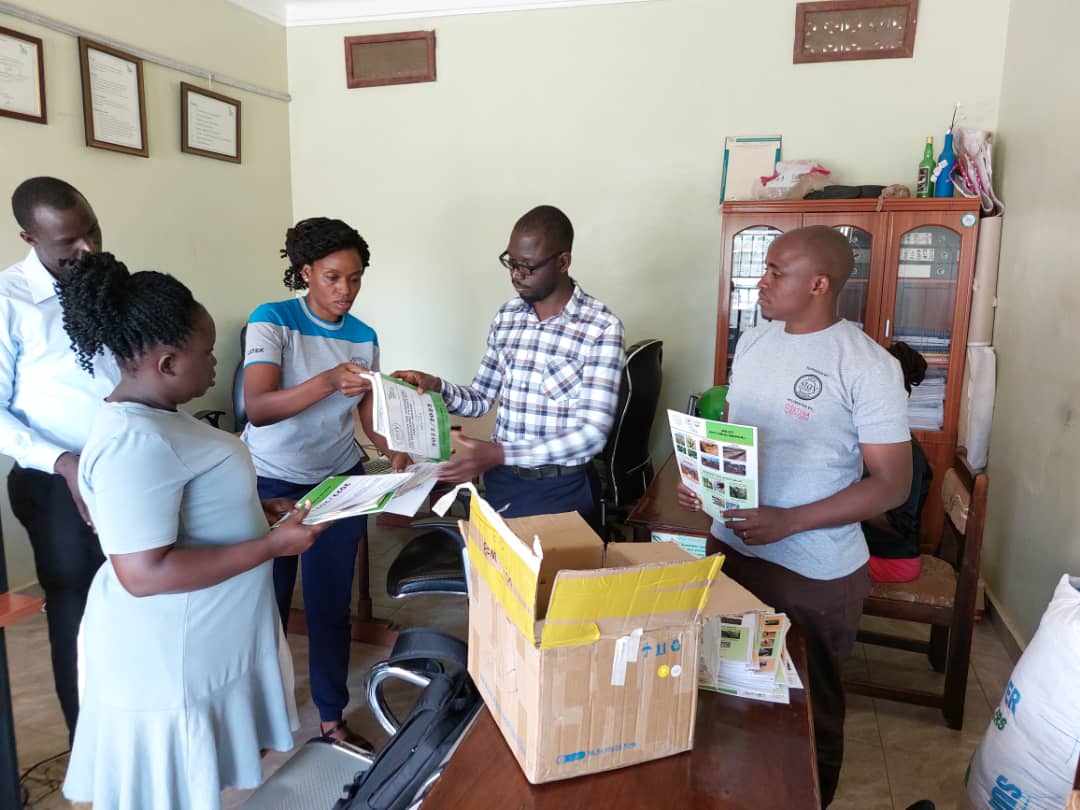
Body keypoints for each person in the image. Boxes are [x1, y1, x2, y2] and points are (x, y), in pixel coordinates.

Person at [56, 253, 327, 810]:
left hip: (200, 641)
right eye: (206, 352)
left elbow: (190, 503)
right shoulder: (136, 442)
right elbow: (143, 573)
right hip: (165, 655)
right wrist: (272, 546)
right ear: (167, 361)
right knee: (173, 789)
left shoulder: (162, 418)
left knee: (198, 782)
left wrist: (256, 508)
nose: (215, 360)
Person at [677, 225, 912, 806]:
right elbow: (736, 435)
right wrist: (705, 482)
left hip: (812, 573)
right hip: (732, 554)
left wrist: (790, 520)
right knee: (727, 692)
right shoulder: (757, 342)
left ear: (819, 284)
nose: (762, 280)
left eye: (777, 270)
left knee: (811, 713)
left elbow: (892, 486)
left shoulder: (866, 365)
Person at [241, 217, 407, 743]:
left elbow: (365, 410)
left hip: (338, 483)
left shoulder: (364, 337)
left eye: (355, 278)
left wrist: (391, 448)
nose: (346, 290)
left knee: (329, 605)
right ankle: (257, 718)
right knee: (264, 605)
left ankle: (332, 719)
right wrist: (326, 381)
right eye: (333, 277)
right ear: (306, 272)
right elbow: (258, 407)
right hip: (269, 483)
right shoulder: (272, 320)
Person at [394, 205, 624, 526]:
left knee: (548, 577)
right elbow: (479, 399)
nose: (516, 275)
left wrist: (500, 453)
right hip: (502, 483)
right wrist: (437, 387)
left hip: (561, 489)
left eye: (528, 266)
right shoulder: (507, 318)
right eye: (511, 263)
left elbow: (592, 434)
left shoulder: (600, 327)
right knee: (493, 574)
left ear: (563, 262)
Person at [0, 177, 118, 741]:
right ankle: (89, 746)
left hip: (123, 470)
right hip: (53, 482)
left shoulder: (110, 283)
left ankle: (135, 729)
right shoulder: (8, 301)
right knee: (74, 608)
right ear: (30, 236)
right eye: (70, 241)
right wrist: (65, 461)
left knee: (134, 598)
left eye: (92, 229)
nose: (88, 249)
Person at [862, 341, 933, 583]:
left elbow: (897, 524)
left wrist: (843, 503)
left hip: (891, 560)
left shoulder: (904, 450)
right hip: (870, 550)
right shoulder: (877, 437)